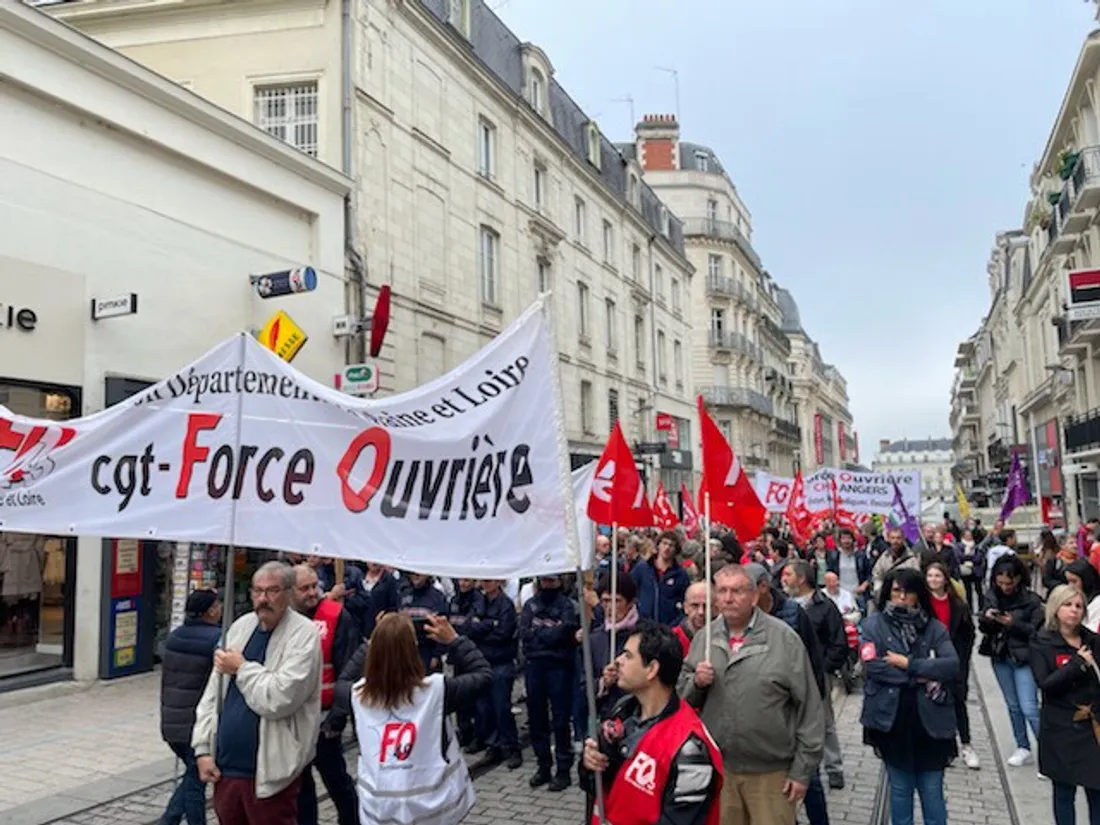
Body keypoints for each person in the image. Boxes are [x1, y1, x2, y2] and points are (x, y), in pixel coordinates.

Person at [678, 564, 823, 825]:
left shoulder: (784, 639)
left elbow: (810, 708)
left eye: (737, 591)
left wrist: (802, 771)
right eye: (722, 591)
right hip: (720, 772)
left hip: (771, 776)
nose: (728, 598)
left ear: (754, 596)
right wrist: (696, 683)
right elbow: (682, 700)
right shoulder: (704, 638)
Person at [192, 562, 322, 825]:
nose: (263, 599)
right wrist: (203, 748)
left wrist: (242, 668)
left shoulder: (304, 634)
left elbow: (279, 698)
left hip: (272, 774)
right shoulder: (241, 627)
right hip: (226, 769)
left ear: (288, 593)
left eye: (272, 591)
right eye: (258, 591)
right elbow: (213, 694)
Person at [349, 613, 491, 825]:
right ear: (413, 648)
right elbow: (484, 675)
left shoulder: (357, 694)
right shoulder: (437, 691)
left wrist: (374, 642)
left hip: (380, 809)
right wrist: (455, 640)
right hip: (433, 810)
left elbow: (344, 679)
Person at [582, 622, 723, 825]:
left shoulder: (689, 747)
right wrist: (589, 763)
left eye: (628, 656)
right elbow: (595, 785)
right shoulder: (623, 711)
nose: (618, 661)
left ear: (652, 669)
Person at [861, 567, 959, 825]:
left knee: (932, 790)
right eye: (896, 591)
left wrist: (909, 664)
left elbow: (950, 665)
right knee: (900, 789)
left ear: (919, 595)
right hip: (892, 718)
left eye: (908, 592)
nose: (902, 597)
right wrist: (922, 674)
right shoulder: (873, 625)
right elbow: (873, 667)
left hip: (931, 721)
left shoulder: (934, 627)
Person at [289, 564, 360, 825]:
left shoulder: (336, 616)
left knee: (336, 780)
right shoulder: (284, 618)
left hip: (325, 718)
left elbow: (349, 671)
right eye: (304, 588)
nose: (311, 593)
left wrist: (338, 718)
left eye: (314, 586)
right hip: (294, 718)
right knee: (301, 785)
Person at [1030, 584, 1100, 825]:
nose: (1074, 610)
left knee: (1096, 790)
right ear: (1055, 608)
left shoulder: (1093, 641)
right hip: (1060, 727)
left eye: (1079, 606)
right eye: (1067, 605)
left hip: (1092, 727)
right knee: (1064, 792)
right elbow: (1046, 684)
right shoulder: (1041, 642)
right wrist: (1076, 665)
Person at [159, 589, 222, 825]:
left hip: (171, 722)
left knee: (192, 777)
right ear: (211, 611)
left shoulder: (174, 637)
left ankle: (170, 820)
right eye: (217, 605)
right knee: (196, 784)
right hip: (197, 725)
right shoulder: (217, 639)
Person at [979, 553, 1044, 767]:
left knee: (1029, 707)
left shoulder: (1032, 600)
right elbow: (984, 628)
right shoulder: (992, 596)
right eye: (1000, 583)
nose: (1004, 587)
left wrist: (1012, 624)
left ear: (1018, 578)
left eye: (1009, 582)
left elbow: (1037, 632)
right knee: (1013, 705)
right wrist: (988, 619)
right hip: (1001, 655)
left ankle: (1048, 751)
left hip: (1024, 658)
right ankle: (1022, 746)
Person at [520, 574, 579, 792]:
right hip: (535, 666)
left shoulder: (567, 606)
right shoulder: (530, 605)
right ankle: (543, 765)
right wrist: (550, 633)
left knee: (561, 720)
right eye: (544, 580)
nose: (548, 584)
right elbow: (525, 633)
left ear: (560, 582)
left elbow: (565, 633)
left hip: (559, 668)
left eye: (552, 580)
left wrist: (541, 634)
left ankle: (563, 769)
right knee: (537, 718)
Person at [925, 562, 978, 770]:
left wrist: (962, 659)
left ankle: (966, 744)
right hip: (930, 659)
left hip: (954, 659)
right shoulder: (923, 604)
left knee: (958, 701)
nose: (933, 580)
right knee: (934, 701)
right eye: (930, 576)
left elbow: (968, 634)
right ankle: (943, 746)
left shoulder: (958, 605)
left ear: (945, 579)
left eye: (937, 576)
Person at [672, 581, 712, 655]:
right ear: (685, 607)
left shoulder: (722, 638)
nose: (701, 612)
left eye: (706, 606)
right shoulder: (673, 639)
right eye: (695, 605)